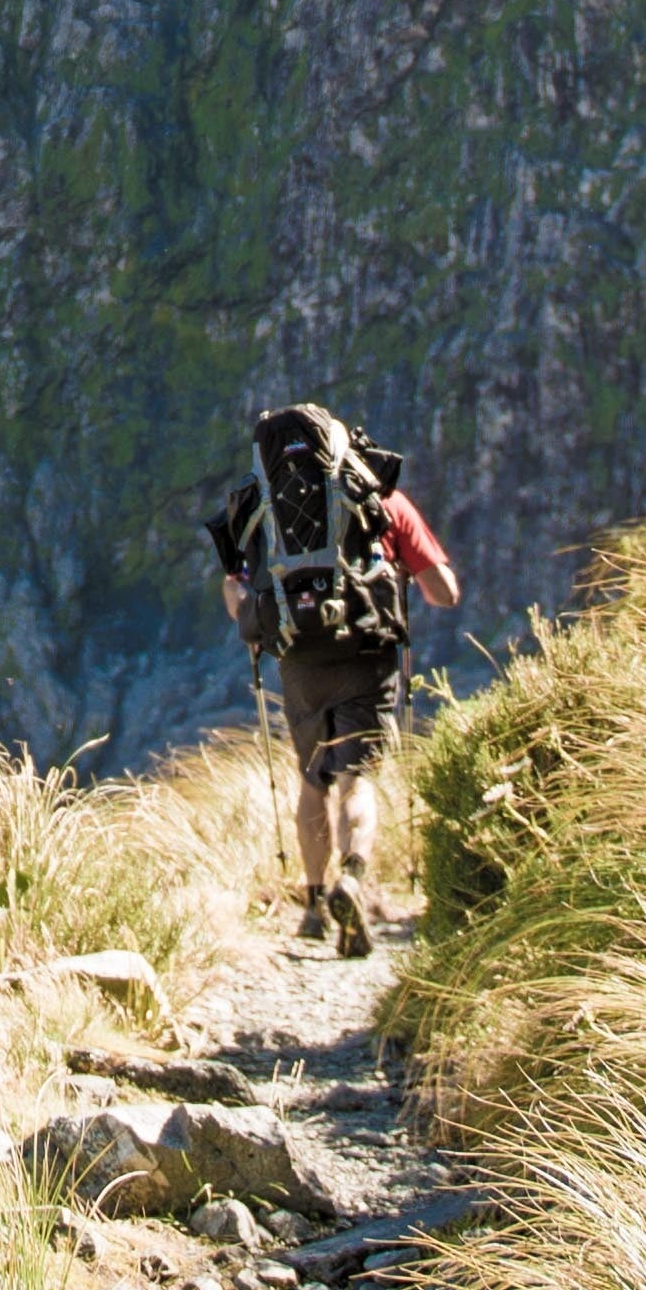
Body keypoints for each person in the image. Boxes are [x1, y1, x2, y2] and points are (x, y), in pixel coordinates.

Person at [209, 404, 463, 954]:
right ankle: (353, 875)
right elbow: (444, 592)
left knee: (312, 780)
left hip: (299, 659)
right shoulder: (378, 497)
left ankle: (313, 903)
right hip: (367, 657)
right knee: (357, 779)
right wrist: (402, 574)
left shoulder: (259, 507)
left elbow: (235, 592)